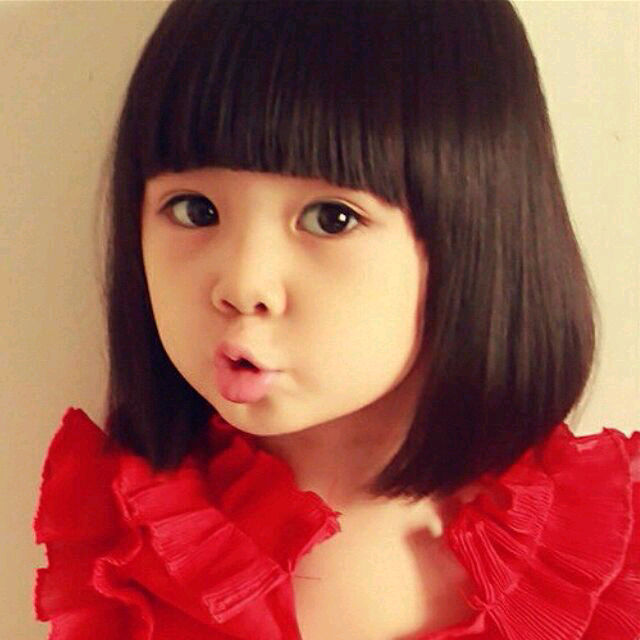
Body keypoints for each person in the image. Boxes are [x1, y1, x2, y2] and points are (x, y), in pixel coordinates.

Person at [33, 1, 639, 639]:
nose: (242, 285)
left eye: (331, 218)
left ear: (477, 234)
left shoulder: (597, 556)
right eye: (194, 209)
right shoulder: (127, 535)